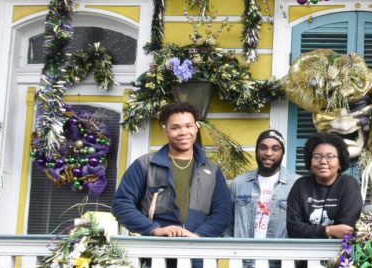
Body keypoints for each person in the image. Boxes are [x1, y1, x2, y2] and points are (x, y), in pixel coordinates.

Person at [113, 101, 234, 238]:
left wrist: (198, 236)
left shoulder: (212, 171)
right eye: (175, 128)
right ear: (166, 131)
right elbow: (121, 205)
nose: (183, 132)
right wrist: (154, 229)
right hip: (153, 250)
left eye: (189, 126)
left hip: (198, 254)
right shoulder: (145, 165)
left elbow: (222, 213)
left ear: (196, 127)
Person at [287, 132, 364, 239]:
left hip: (338, 252)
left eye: (330, 156)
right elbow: (293, 230)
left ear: (340, 163)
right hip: (304, 251)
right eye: (317, 157)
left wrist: (309, 230)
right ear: (310, 161)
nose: (323, 161)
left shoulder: (348, 184)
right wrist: (328, 230)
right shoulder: (300, 185)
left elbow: (346, 230)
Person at [231, 128, 297, 239]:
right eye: (263, 148)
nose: (268, 153)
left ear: (283, 153)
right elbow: (227, 223)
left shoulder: (295, 184)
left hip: (280, 254)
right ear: (256, 151)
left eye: (275, 149)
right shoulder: (239, 183)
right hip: (245, 254)